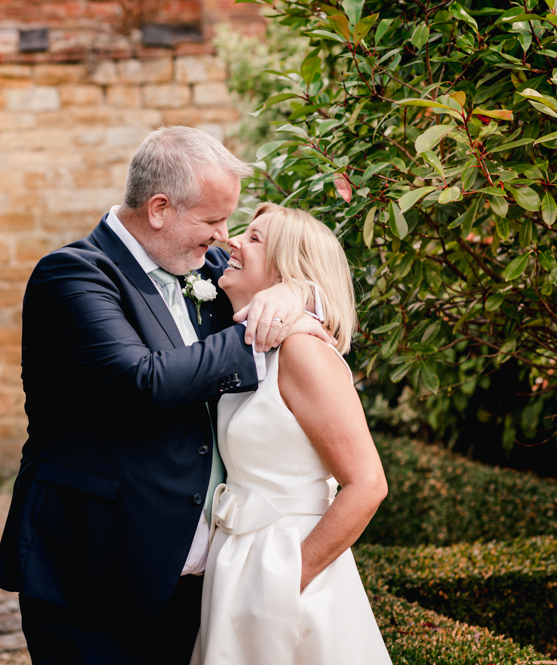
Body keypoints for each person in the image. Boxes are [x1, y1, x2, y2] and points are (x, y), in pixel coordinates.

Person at [0, 127, 331, 665]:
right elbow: (141, 383)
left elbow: (283, 278)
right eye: (213, 220)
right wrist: (255, 331)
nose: (224, 236)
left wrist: (293, 292)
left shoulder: (206, 268)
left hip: (195, 581)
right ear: (159, 209)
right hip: (93, 570)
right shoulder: (72, 275)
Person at [194, 203, 391, 664]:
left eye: (255, 238)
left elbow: (368, 484)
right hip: (237, 560)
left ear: (288, 270)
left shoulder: (303, 351)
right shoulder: (255, 346)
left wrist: (287, 580)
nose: (233, 241)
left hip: (282, 560)